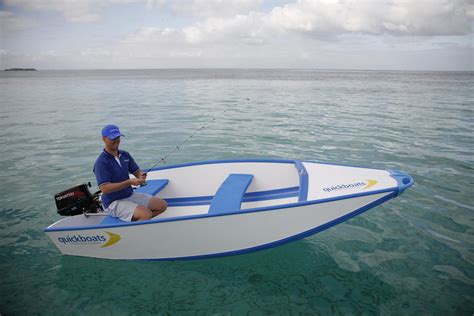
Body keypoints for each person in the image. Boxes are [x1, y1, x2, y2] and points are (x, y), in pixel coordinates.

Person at [93, 124, 167, 221]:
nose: (116, 141)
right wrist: (129, 182)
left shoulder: (125, 155)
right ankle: (137, 225)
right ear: (104, 139)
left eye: (118, 137)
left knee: (162, 205)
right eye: (112, 138)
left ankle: (135, 223)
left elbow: (137, 172)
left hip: (129, 195)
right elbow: (105, 188)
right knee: (145, 214)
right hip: (113, 202)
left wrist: (141, 176)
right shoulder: (101, 162)